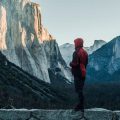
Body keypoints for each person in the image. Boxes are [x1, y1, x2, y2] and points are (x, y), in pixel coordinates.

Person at [70, 38, 88, 115]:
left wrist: (70, 64)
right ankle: (81, 105)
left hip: (77, 73)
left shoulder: (76, 52)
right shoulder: (85, 52)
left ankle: (80, 106)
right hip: (83, 72)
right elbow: (86, 63)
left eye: (75, 43)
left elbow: (75, 63)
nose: (74, 44)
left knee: (78, 90)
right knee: (81, 89)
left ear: (77, 43)